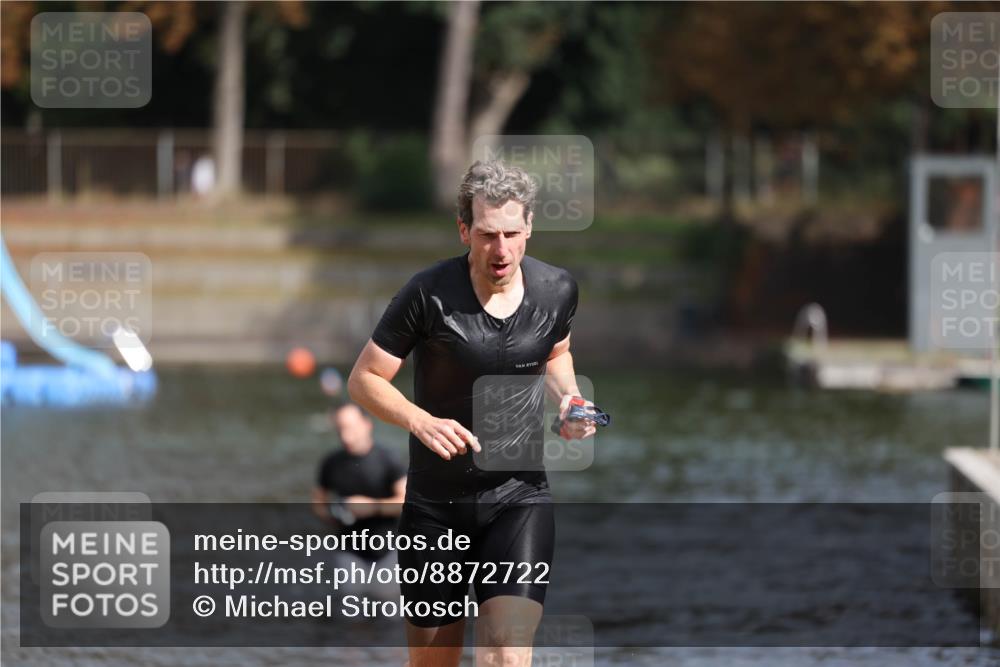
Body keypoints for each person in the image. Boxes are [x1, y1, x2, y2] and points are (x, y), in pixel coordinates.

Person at [347, 159, 595, 667]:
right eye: (487, 235)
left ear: (529, 228)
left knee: (507, 654)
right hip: (436, 506)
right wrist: (419, 420)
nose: (501, 250)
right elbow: (364, 379)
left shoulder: (557, 290)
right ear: (464, 230)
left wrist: (570, 400)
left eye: (511, 234)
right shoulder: (427, 294)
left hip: (518, 498)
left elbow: (556, 353)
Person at [311, 401, 406, 566]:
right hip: (348, 553)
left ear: (367, 424)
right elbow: (318, 503)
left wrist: (372, 507)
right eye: (340, 429)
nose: (345, 436)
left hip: (388, 552)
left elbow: (406, 503)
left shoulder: (389, 459)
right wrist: (333, 514)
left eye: (350, 428)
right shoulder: (331, 463)